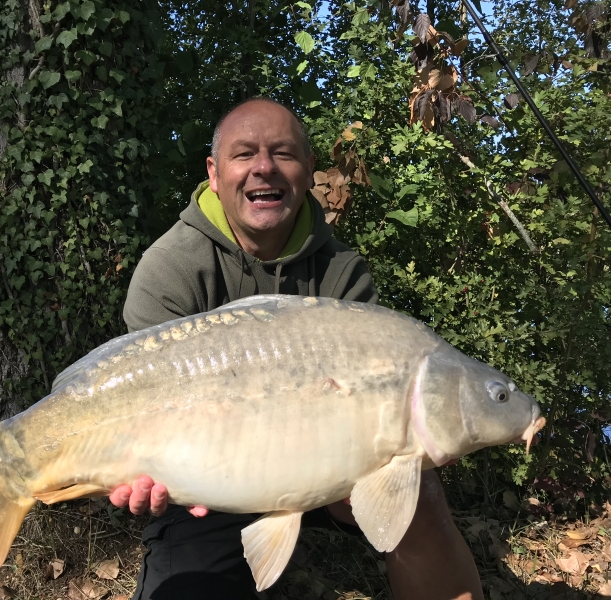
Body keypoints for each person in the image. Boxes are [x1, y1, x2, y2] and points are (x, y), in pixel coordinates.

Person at [109, 97, 484, 600]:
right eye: (244, 155)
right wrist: (143, 474)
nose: (264, 167)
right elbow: (142, 406)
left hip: (327, 475)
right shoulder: (170, 268)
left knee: (422, 495)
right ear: (214, 173)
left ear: (309, 171)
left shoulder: (341, 272)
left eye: (283, 153)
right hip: (208, 483)